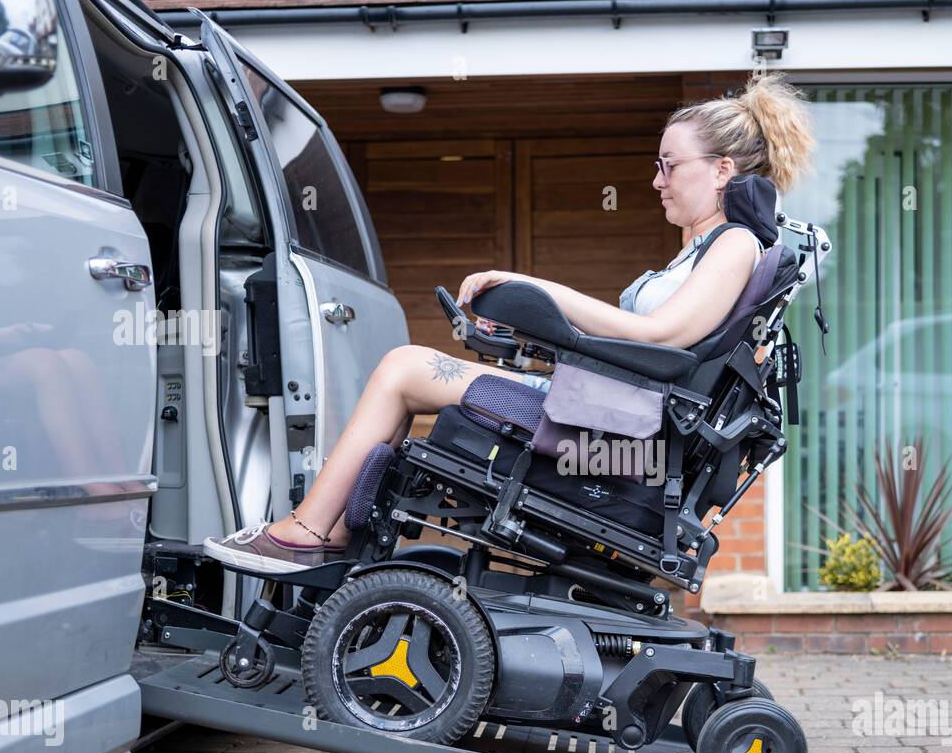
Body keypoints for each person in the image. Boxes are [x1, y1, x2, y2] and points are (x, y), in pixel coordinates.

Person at [204, 71, 816, 575]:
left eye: (669, 165)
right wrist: (530, 340)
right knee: (407, 368)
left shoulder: (734, 244)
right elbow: (641, 346)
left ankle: (309, 531)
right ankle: (325, 527)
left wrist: (536, 289)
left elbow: (661, 339)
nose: (656, 180)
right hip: (607, 407)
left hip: (614, 424)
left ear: (723, 171)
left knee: (403, 368)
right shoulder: (706, 246)